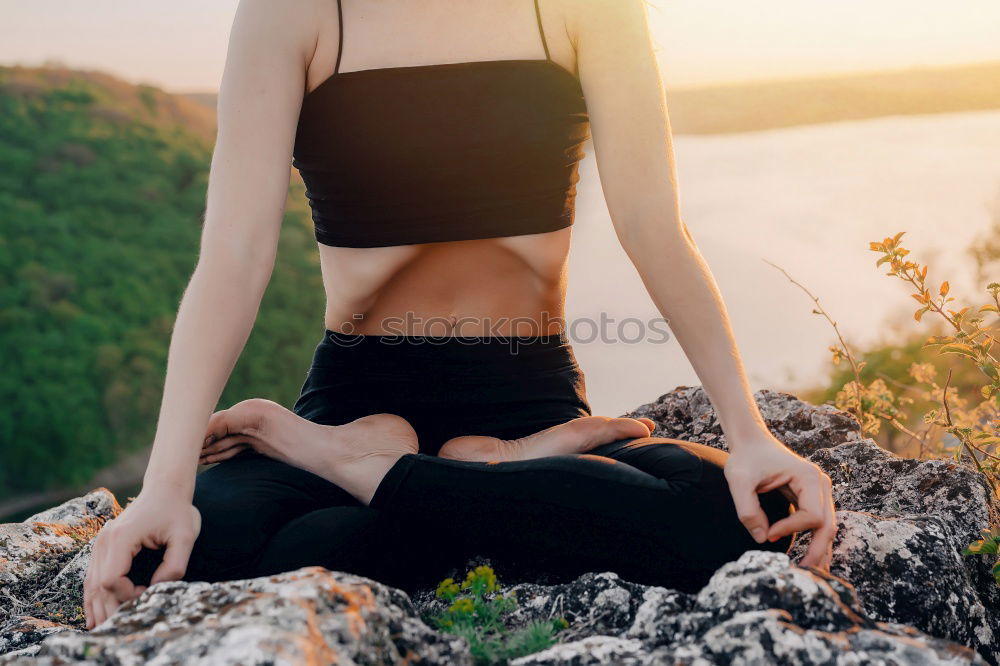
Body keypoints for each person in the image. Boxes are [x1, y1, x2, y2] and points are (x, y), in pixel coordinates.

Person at [83, 0, 837, 629]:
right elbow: (234, 259)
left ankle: (394, 465)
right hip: (355, 394)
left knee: (738, 522)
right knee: (201, 558)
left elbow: (654, 229)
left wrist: (750, 437)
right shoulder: (295, 11)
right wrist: (162, 489)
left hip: (527, 395)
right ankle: (467, 472)